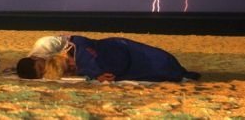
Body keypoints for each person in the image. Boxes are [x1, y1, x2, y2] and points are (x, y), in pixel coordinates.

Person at [16, 34, 200, 82]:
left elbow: (77, 46)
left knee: (157, 61)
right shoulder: (63, 65)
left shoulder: (45, 45)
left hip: (114, 48)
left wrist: (92, 70)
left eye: (40, 69)